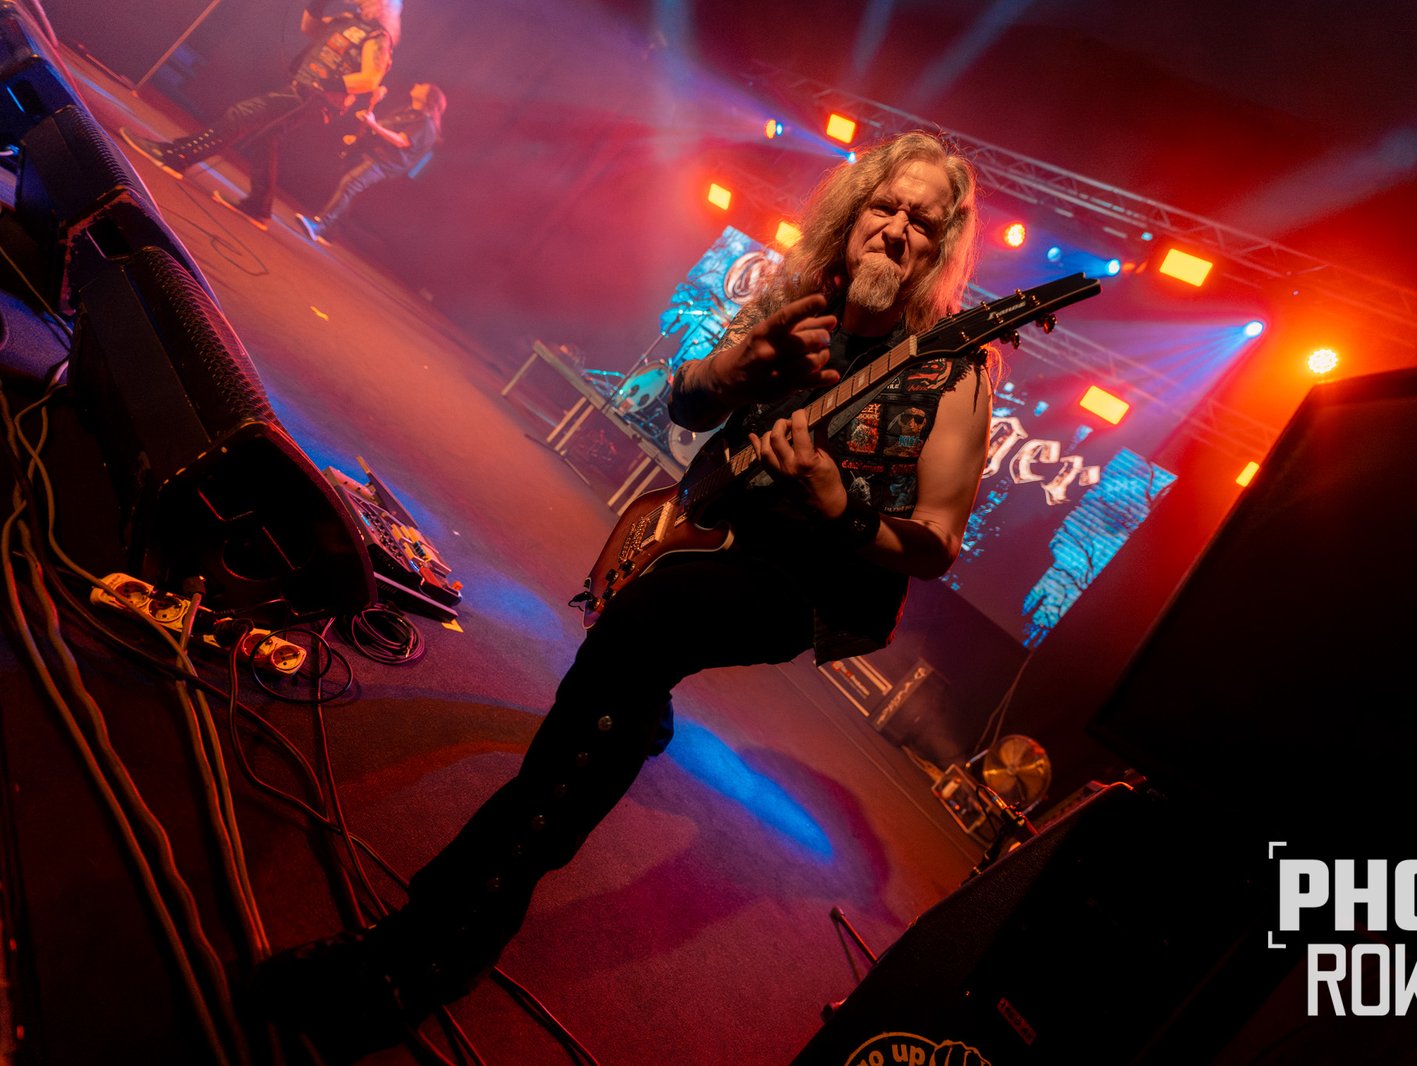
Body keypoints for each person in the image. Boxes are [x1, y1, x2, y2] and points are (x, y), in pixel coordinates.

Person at [255, 130, 993, 1055]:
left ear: (939, 249)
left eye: (921, 221)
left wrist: (840, 506)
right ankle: (632, 721)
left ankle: (431, 947)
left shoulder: (951, 370)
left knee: (650, 622)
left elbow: (935, 544)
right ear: (854, 212)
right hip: (709, 525)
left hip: (804, 580)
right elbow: (686, 406)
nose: (895, 229)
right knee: (627, 662)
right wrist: (732, 372)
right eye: (885, 206)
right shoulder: (802, 302)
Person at [119, 0, 402, 231]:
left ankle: (177, 156)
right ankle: (258, 206)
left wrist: (326, 84)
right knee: (266, 140)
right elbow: (310, 29)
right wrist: (317, 5)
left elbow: (370, 79)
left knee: (241, 114)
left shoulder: (378, 36)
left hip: (316, 97)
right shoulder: (346, 20)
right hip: (305, 88)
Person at [295, 81, 445, 244]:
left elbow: (401, 141)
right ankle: (330, 232)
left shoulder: (426, 124)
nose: (417, 84)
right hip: (373, 153)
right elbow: (384, 127)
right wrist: (366, 127)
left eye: (423, 86)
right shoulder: (408, 111)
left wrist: (373, 124)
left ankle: (319, 225)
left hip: (384, 162)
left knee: (350, 184)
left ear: (428, 98)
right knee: (348, 189)